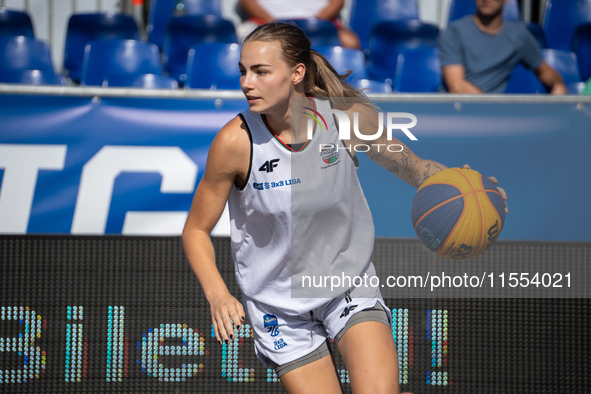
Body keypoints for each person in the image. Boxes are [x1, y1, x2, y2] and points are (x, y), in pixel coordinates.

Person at [182, 22, 507, 393]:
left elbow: (414, 168)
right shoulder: (234, 142)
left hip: (345, 285)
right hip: (278, 307)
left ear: (297, 73)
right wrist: (218, 295)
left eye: (260, 71)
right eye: (243, 71)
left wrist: (474, 189)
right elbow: (195, 230)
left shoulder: (345, 119)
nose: (246, 82)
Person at [439, 0, 567, 94]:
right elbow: (456, 86)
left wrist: (558, 85)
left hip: (492, 118)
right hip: (455, 113)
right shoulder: (454, 32)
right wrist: (493, 109)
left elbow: (544, 70)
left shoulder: (519, 36)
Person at [236, 0, 360, 49]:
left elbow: (337, 3)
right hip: (264, 22)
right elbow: (246, 2)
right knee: (240, 38)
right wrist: (272, 21)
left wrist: (312, 23)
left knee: (350, 42)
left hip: (319, 24)